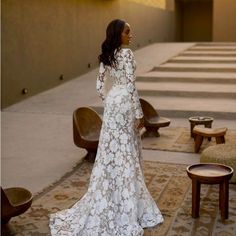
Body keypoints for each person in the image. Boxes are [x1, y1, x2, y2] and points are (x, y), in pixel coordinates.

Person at [49, 19, 163, 236]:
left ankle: (109, 196)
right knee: (126, 153)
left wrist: (110, 99)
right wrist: (139, 114)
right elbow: (130, 85)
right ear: (118, 34)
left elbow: (99, 86)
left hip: (112, 105)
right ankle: (127, 204)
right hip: (125, 106)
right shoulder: (127, 54)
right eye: (127, 32)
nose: (131, 35)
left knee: (110, 153)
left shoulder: (106, 56)